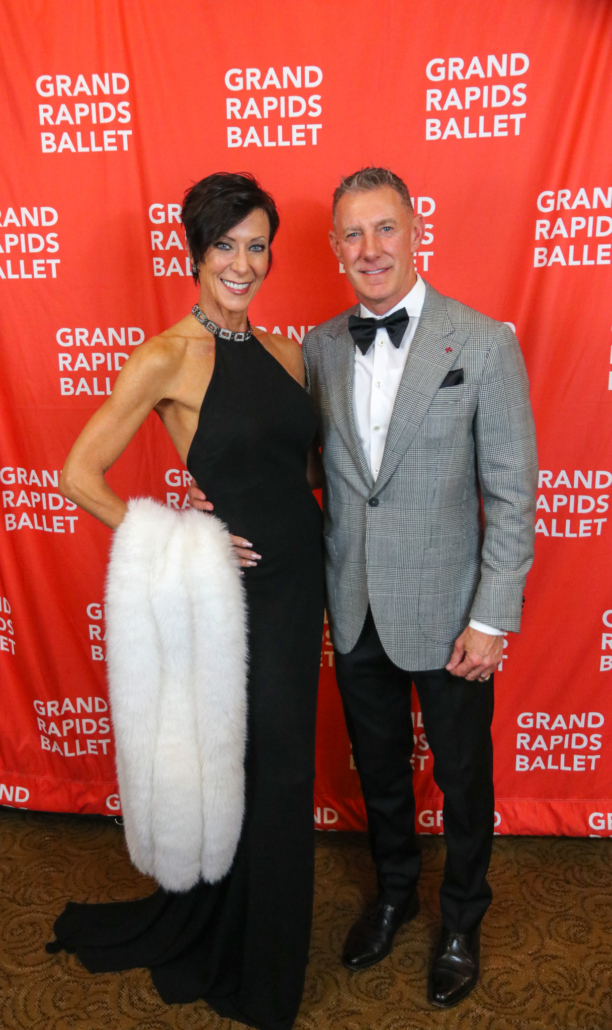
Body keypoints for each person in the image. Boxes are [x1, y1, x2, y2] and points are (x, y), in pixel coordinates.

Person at [193, 166, 537, 1008]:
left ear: (416, 231)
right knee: (380, 774)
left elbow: (512, 493)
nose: (370, 248)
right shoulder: (316, 348)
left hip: (452, 611)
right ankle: (393, 896)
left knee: (462, 778)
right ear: (334, 247)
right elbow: (301, 463)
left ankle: (461, 920)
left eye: (385, 228)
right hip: (352, 607)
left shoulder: (483, 342)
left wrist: (493, 617)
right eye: (352, 233)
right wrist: (226, 493)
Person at [47, 172, 325, 1030]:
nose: (243, 263)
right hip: (232, 594)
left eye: (257, 246)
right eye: (225, 246)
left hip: (303, 580)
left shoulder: (288, 352)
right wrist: (179, 534)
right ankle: (252, 968)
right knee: (261, 768)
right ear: (195, 253)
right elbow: (78, 474)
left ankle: (259, 943)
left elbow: (299, 473)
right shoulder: (165, 356)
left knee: (283, 768)